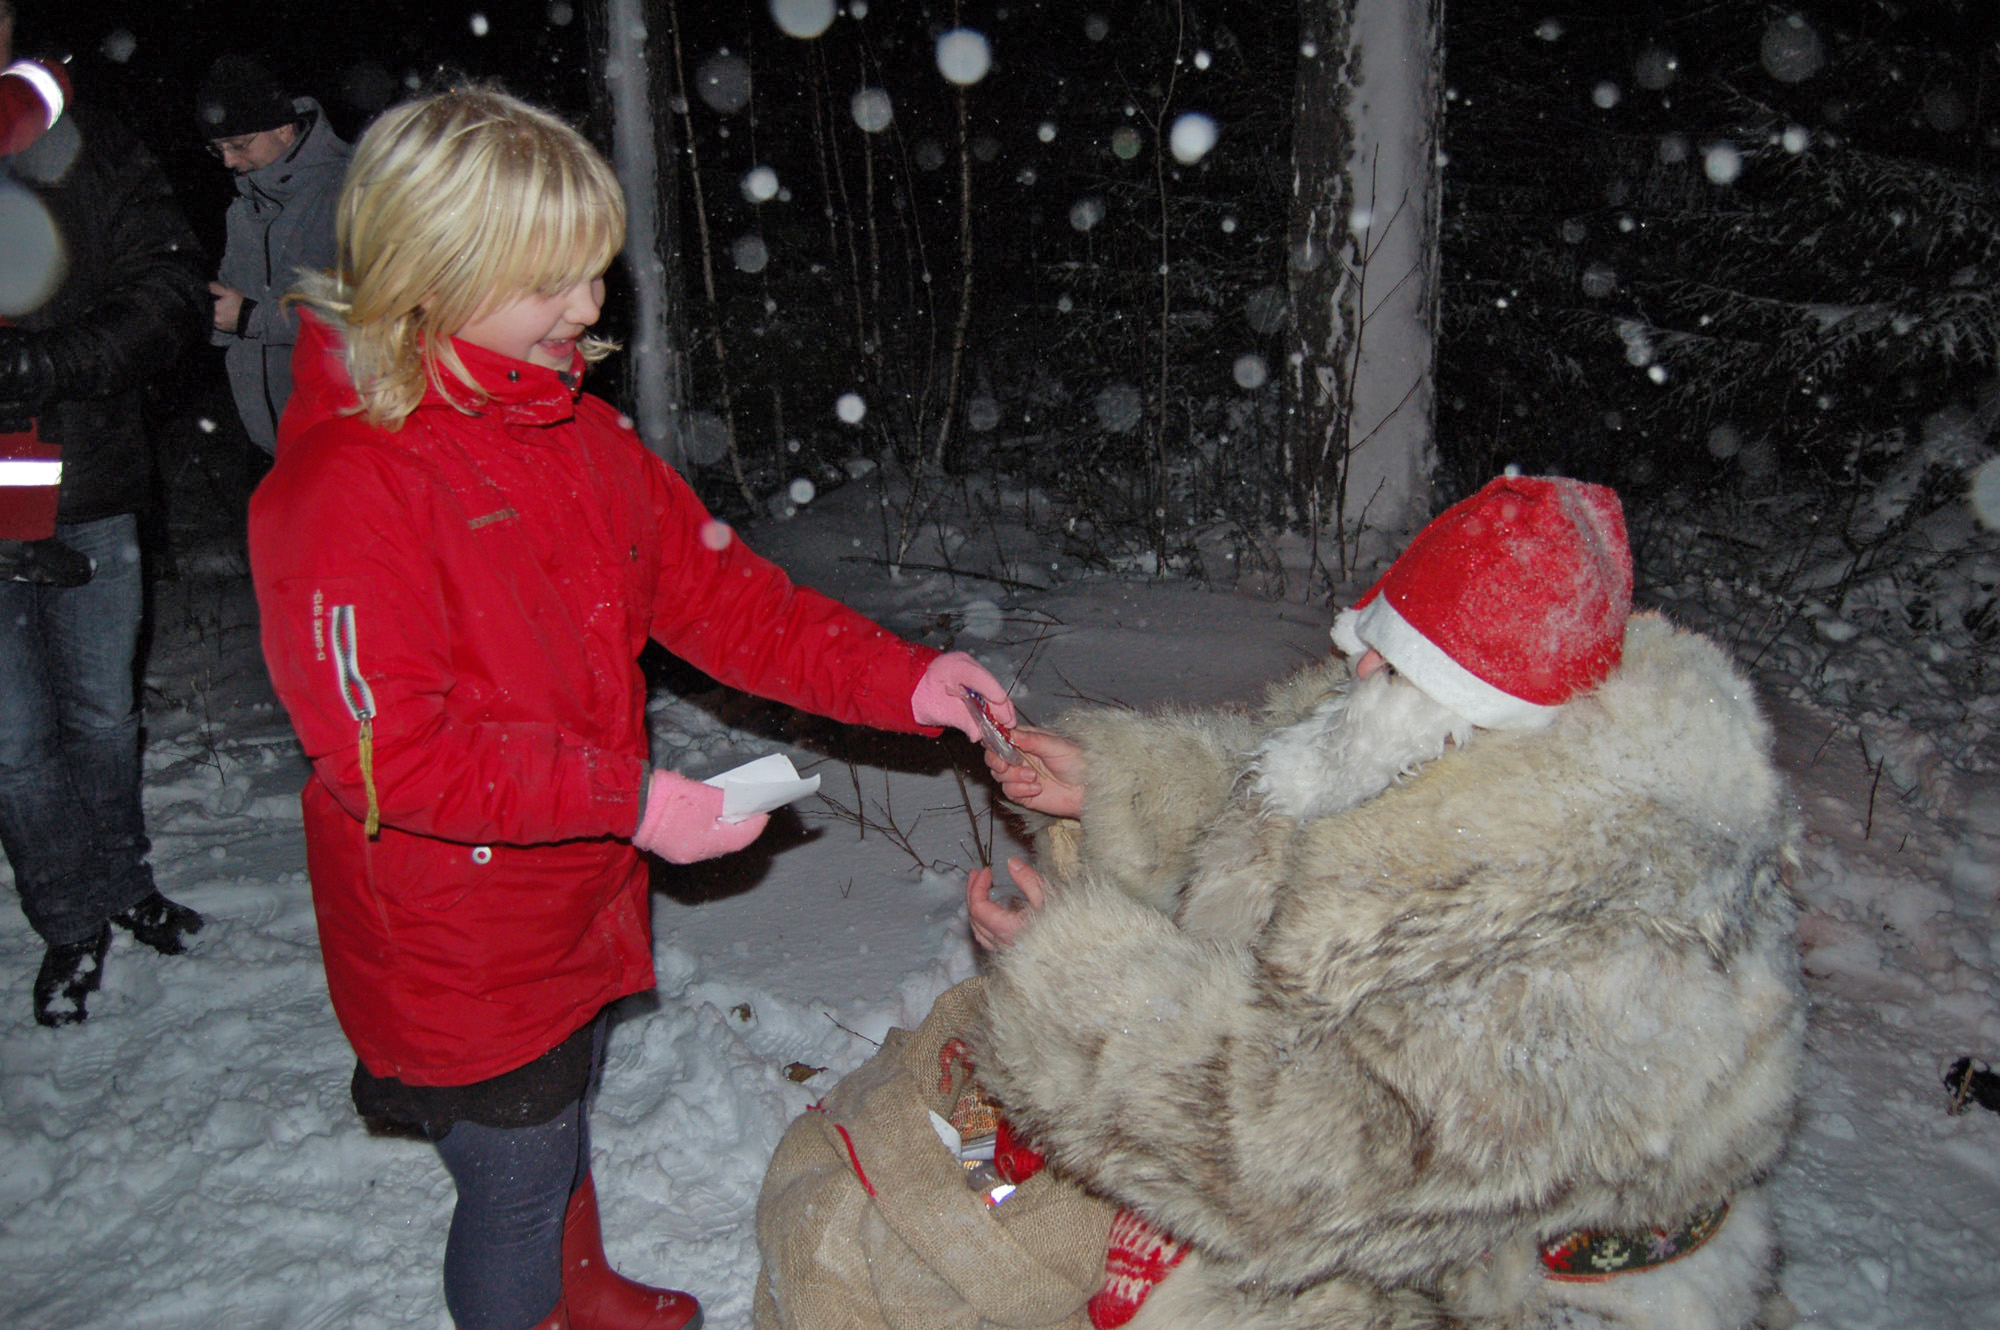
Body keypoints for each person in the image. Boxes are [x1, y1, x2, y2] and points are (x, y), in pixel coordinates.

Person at [247, 87, 1015, 1330]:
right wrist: (634, 800)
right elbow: (394, 756)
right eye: (550, 280)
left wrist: (903, 680)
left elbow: (726, 599)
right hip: (451, 926)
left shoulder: (573, 437)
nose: (590, 308)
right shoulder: (347, 485)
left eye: (592, 273)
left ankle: (583, 1288)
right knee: (513, 1177)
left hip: (569, 887)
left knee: (563, 1106)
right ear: (433, 278)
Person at [965, 475, 1805, 1330]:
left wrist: (1075, 986)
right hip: (1429, 1236)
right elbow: (1311, 791)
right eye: (1378, 636)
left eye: (1396, 660)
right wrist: (1123, 787)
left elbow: (1298, 1163)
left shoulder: (1592, 941)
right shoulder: (1515, 719)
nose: (1360, 665)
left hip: (1516, 1295)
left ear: (1477, 699)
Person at [0, 0, 210, 1027]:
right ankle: (68, 923)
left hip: (86, 483)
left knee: (99, 714)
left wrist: (53, 360)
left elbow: (168, 284)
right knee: (14, 742)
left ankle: (126, 884)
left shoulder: (84, 140)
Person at [195, 54, 349, 455]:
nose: (228, 161)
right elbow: (233, 303)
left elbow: (365, 312)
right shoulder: (245, 207)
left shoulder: (349, 192)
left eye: (238, 145)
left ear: (282, 128)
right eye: (218, 150)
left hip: (344, 443)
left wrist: (251, 317)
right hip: (270, 444)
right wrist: (205, 313)